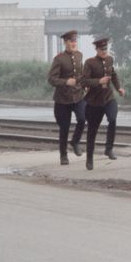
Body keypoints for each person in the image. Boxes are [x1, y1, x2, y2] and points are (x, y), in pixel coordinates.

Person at [83, 37, 126, 170]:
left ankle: (109, 148)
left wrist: (119, 87)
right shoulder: (89, 63)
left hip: (108, 98)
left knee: (112, 119)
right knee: (92, 131)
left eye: (106, 49)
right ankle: (89, 158)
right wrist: (99, 81)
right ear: (96, 49)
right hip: (94, 102)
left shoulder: (109, 59)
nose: (104, 51)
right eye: (102, 49)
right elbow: (84, 81)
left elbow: (113, 74)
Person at [46, 30, 86, 166]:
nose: (73, 43)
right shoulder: (59, 59)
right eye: (71, 41)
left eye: (75, 41)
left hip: (78, 95)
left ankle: (75, 141)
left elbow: (80, 74)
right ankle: (63, 155)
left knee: (82, 119)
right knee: (64, 127)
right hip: (62, 99)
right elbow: (51, 79)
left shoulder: (80, 55)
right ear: (65, 42)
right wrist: (65, 82)